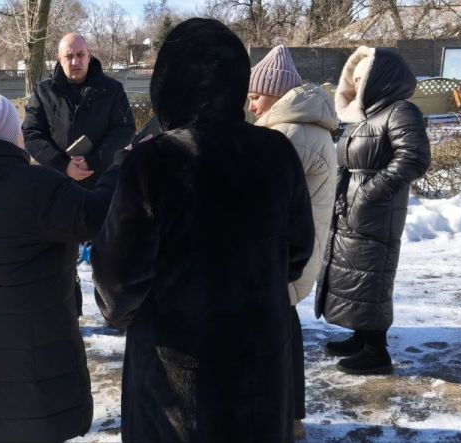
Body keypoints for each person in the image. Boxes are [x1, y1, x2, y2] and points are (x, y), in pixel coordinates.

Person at [92, 19, 315, 442]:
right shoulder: (277, 153)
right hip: (259, 377)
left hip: (177, 387)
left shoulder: (153, 162)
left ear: (168, 85)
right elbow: (297, 255)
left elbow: (116, 288)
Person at [0, 91, 123, 442]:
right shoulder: (35, 185)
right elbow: (96, 217)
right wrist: (117, 167)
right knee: (38, 425)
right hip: (33, 336)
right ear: (6, 134)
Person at [315, 46, 431, 375]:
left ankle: (377, 352)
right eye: (355, 77)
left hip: (376, 212)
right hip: (351, 210)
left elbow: (414, 157)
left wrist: (369, 194)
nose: (356, 83)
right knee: (357, 276)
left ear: (382, 77)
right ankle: (361, 337)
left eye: (363, 77)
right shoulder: (365, 117)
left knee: (373, 276)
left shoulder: (399, 111)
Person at [248, 44, 339, 440]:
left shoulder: (292, 134)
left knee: (279, 338)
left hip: (286, 256)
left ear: (277, 92)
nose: (250, 105)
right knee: (284, 330)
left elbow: (256, 193)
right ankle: (291, 416)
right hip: (293, 251)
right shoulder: (295, 127)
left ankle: (287, 419)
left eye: (255, 96)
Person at [23, 33, 135, 189]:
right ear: (59, 59)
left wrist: (93, 161)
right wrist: (62, 165)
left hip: (103, 183)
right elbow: (31, 134)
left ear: (89, 55)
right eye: (68, 56)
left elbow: (124, 129)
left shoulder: (112, 90)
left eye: (80, 54)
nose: (75, 61)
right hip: (57, 184)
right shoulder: (42, 92)